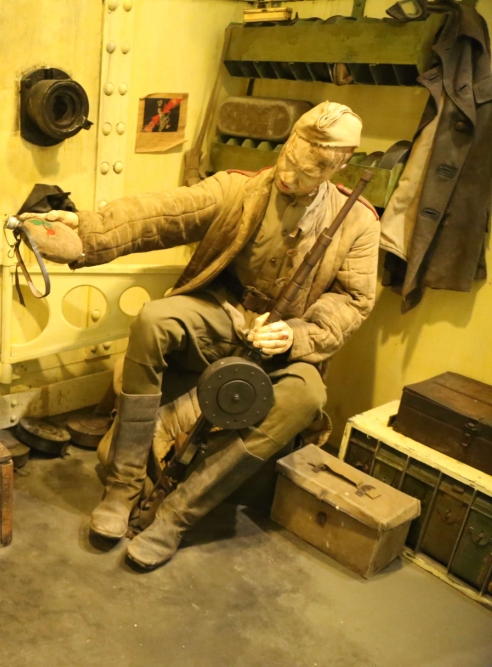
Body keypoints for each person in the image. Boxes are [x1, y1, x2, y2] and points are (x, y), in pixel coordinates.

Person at [27, 102, 378, 570]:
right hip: (224, 317)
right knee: (155, 319)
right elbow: (164, 213)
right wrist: (89, 231)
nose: (288, 175)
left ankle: (177, 516)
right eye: (289, 158)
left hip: (284, 343)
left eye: (307, 170)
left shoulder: (359, 222)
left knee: (308, 396)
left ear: (339, 166)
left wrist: (295, 336)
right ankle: (122, 486)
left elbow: (353, 300)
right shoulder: (240, 189)